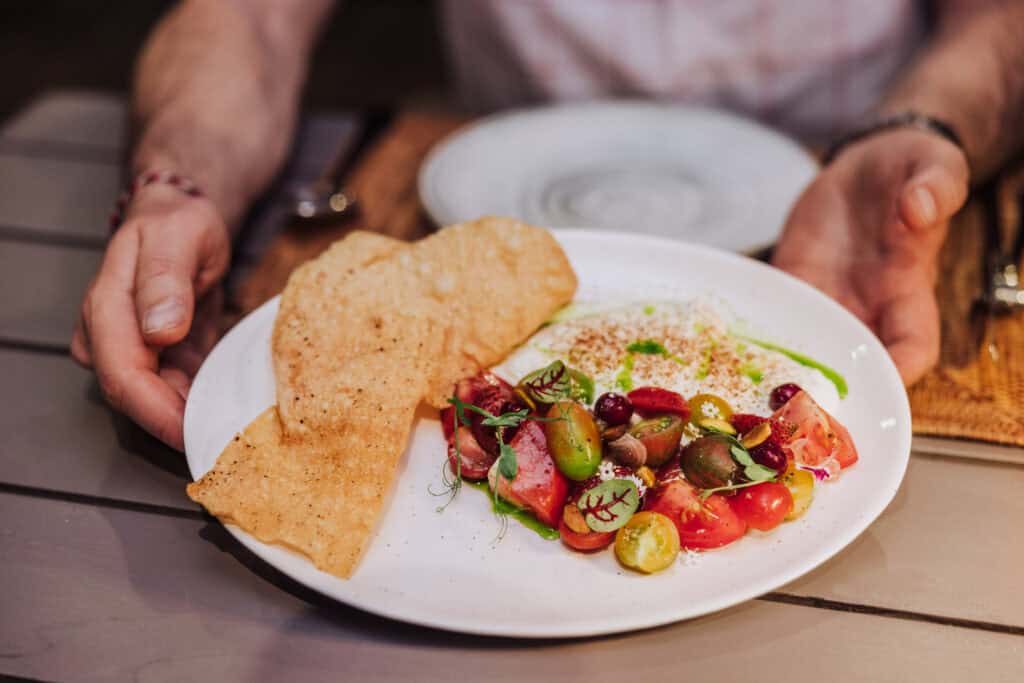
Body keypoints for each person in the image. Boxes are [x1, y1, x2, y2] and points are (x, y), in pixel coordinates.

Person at [71, 0, 1024, 451]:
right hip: (484, 208)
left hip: (846, 193)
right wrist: (175, 182)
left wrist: (924, 123)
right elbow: (246, 21)